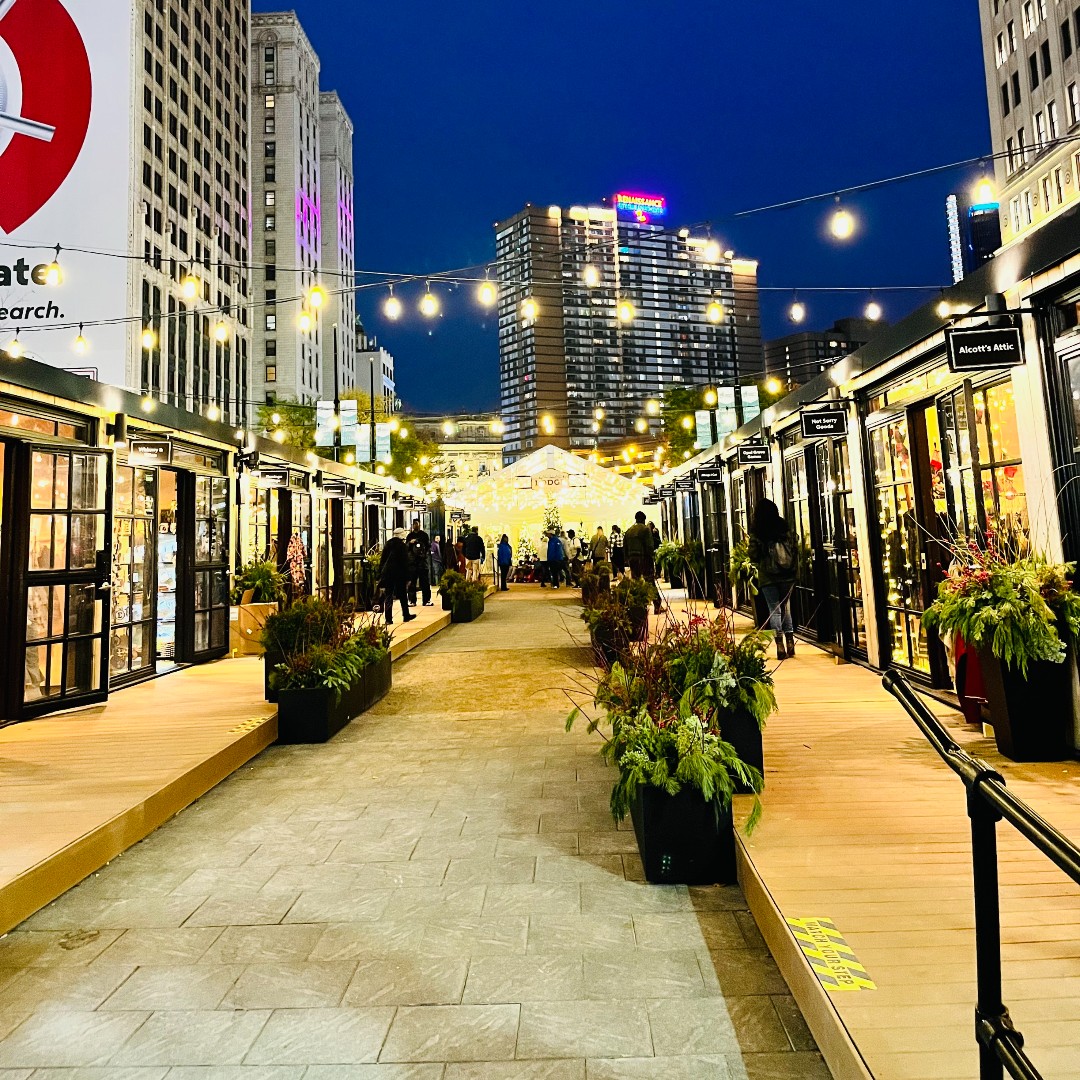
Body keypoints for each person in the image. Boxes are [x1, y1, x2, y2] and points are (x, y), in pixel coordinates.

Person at [748, 498, 798, 660]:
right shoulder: (783, 526)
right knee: (786, 607)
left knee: (774, 609)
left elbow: (753, 554)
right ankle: (790, 642)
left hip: (768, 576)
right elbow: (795, 546)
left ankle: (780, 645)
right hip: (787, 575)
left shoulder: (758, 531)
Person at [624, 511, 662, 614]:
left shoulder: (629, 531)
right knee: (649, 581)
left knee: (636, 582)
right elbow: (649, 546)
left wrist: (627, 559)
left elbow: (625, 547)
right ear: (644, 519)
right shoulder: (645, 529)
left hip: (632, 559)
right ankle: (657, 605)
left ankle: (639, 605)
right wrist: (652, 558)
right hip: (644, 558)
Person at [379, 527, 415, 625]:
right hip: (399, 574)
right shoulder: (402, 546)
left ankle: (388, 619)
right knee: (403, 595)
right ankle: (406, 615)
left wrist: (380, 575)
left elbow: (382, 560)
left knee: (388, 595)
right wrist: (408, 577)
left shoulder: (387, 544)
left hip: (388, 574)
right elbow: (405, 562)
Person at [406, 519, 434, 606]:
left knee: (425, 582)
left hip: (422, 561)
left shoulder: (424, 535)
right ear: (412, 525)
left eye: (417, 524)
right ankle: (412, 600)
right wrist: (410, 543)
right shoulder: (410, 536)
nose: (416, 525)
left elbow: (428, 547)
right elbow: (406, 547)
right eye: (414, 524)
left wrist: (424, 553)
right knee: (412, 583)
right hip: (412, 562)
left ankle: (426, 600)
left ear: (420, 524)